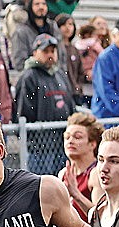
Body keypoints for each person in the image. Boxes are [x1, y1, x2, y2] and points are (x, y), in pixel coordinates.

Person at [14, 34, 77, 175]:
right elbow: (22, 113)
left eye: (52, 51)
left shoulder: (60, 74)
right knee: (42, 188)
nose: (50, 55)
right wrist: (34, 143)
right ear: (35, 52)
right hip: (40, 149)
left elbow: (70, 106)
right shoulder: (28, 77)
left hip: (62, 145)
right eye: (45, 51)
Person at [10, 0, 64, 72]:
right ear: (30, 7)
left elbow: (61, 54)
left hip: (53, 75)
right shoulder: (21, 31)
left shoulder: (53, 27)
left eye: (44, 4)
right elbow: (19, 63)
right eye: (37, 4)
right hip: (32, 76)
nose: (41, 7)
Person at [55, 13, 85, 105]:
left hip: (74, 93)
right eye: (64, 25)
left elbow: (81, 72)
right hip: (59, 91)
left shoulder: (74, 49)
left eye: (70, 24)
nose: (67, 27)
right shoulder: (54, 48)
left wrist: (78, 86)